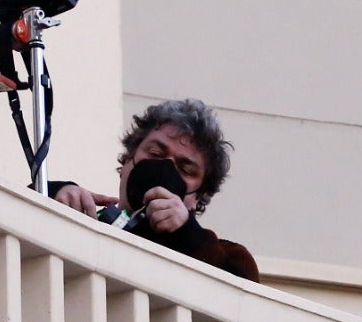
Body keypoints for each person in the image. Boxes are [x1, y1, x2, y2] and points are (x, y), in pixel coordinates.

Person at [47, 99, 259, 282]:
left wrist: (188, 236)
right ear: (128, 160)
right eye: (155, 154)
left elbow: (243, 300)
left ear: (198, 196)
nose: (164, 170)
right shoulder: (84, 220)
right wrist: (52, 195)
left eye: (185, 169)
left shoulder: (228, 257)